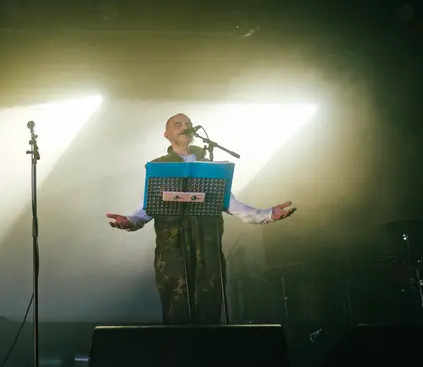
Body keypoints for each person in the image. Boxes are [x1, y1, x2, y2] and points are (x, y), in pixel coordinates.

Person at [106, 114, 295, 325]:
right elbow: (149, 206)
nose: (185, 127)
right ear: (166, 134)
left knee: (209, 303)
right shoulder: (160, 166)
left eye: (188, 124)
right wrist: (130, 221)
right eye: (178, 125)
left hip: (207, 249)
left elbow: (230, 203)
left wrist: (267, 214)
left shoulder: (210, 167)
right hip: (173, 250)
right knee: (176, 305)